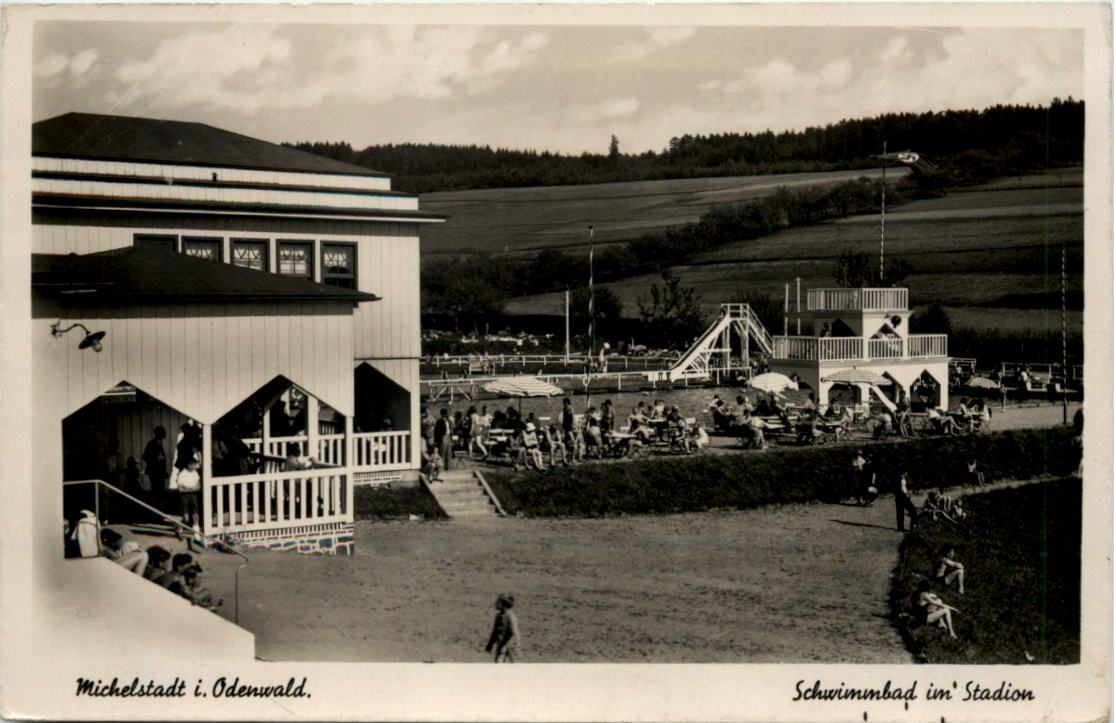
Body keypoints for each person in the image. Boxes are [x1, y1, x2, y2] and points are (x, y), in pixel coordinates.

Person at [484, 593, 521, 663]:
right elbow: (495, 633)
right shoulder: (498, 616)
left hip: (511, 648)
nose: (496, 604)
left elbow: (514, 633)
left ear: (503, 604)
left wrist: (506, 646)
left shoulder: (510, 616)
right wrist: (490, 645)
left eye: (498, 602)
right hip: (501, 647)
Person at [142, 426, 168, 507]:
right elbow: (145, 456)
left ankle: (157, 505)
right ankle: (153, 506)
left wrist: (164, 472)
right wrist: (156, 459)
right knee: (156, 489)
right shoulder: (151, 444)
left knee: (159, 489)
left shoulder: (160, 443)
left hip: (160, 472)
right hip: (154, 471)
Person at [176, 458, 202, 529]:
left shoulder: (195, 473)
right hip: (184, 496)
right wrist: (191, 488)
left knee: (195, 511)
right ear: (188, 465)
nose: (194, 466)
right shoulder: (182, 474)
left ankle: (196, 527)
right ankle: (180, 526)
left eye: (195, 464)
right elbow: (180, 489)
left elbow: (198, 487)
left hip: (193, 495)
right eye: (192, 464)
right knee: (185, 516)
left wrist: (187, 487)